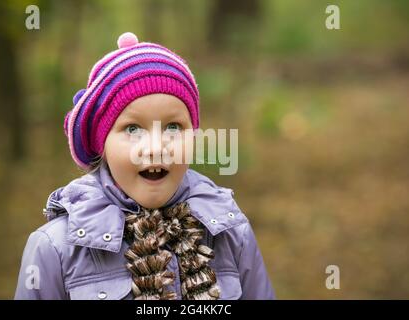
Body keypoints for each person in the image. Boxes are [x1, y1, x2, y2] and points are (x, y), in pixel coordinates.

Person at [14, 32, 275, 300]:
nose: (155, 147)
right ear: (101, 144)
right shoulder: (56, 248)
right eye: (133, 128)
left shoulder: (230, 233)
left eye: (173, 127)